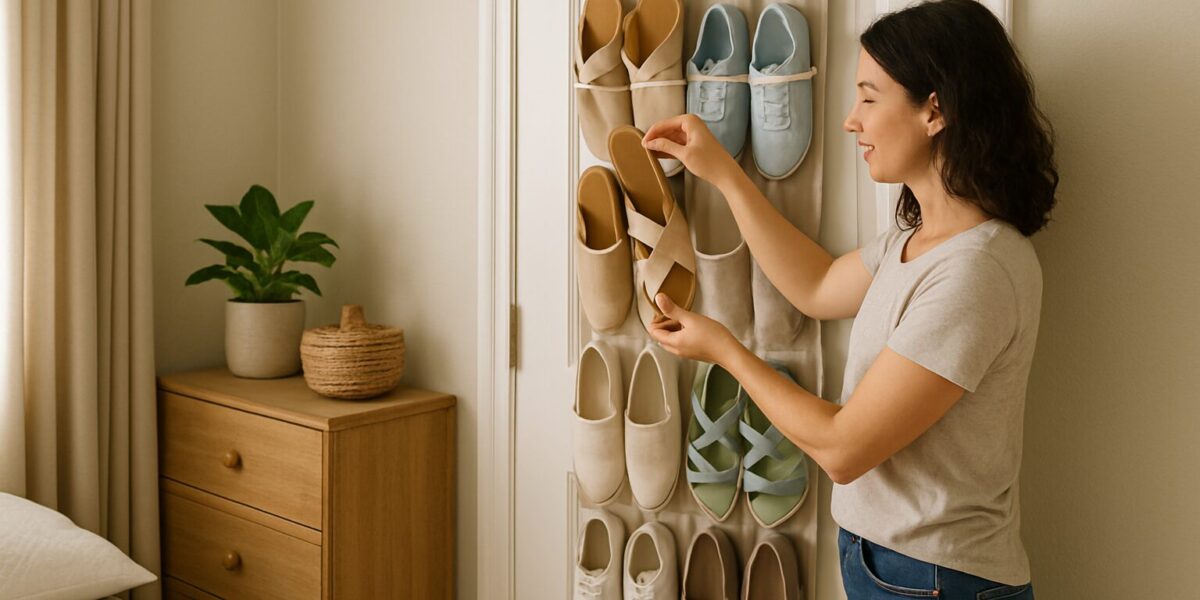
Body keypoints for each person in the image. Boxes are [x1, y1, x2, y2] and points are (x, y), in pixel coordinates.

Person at [640, 0, 1057, 597]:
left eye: (868, 97)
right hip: (890, 564)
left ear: (934, 110)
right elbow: (814, 286)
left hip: (936, 576)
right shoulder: (912, 243)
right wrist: (725, 175)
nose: (850, 121)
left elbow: (843, 448)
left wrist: (725, 352)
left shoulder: (977, 272)